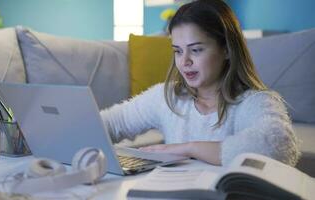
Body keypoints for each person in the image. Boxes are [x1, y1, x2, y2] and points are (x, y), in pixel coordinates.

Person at [101, 0, 300, 166]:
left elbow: (278, 145)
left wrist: (189, 148)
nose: (185, 61)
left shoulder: (254, 102)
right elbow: (112, 123)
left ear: (227, 50)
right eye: (178, 51)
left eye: (196, 50)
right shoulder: (167, 97)